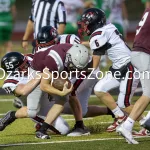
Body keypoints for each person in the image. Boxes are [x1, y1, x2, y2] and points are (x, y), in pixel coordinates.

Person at [78, 8, 139, 132]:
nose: (84, 26)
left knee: (124, 104)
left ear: (94, 22)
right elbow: (101, 42)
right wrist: (83, 43)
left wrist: (78, 69)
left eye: (86, 23)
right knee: (99, 89)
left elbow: (94, 65)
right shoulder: (107, 28)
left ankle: (146, 123)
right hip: (119, 67)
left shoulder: (98, 34)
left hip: (130, 67)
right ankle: (120, 116)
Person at [0, 52, 70, 135]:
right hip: (36, 108)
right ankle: (12, 115)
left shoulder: (30, 58)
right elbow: (24, 91)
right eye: (22, 67)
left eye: (25, 64)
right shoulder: (10, 83)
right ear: (13, 71)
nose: (26, 66)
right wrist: (41, 75)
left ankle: (79, 125)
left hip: (48, 97)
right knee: (64, 129)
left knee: (78, 107)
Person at [116, 8, 150, 144]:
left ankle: (147, 122)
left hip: (139, 52)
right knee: (148, 93)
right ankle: (127, 125)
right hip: (144, 54)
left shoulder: (147, 10)